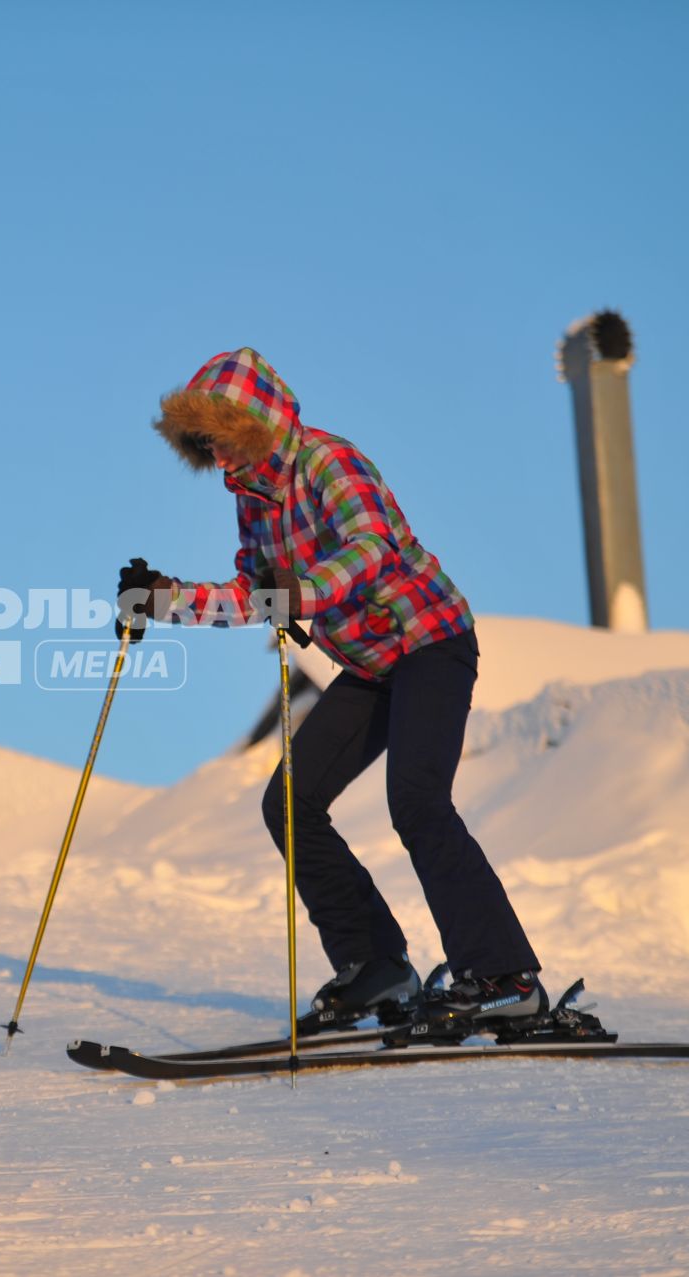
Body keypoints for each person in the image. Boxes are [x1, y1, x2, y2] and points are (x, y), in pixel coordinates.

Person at [118, 348, 544, 1040]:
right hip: (373, 664)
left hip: (430, 641)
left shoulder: (327, 462)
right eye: (205, 441)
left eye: (222, 433)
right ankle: (374, 964)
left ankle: (506, 978)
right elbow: (256, 596)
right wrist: (167, 600)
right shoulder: (252, 499)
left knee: (417, 798)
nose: (216, 453)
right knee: (289, 801)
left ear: (254, 421)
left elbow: (370, 548)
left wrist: (302, 592)